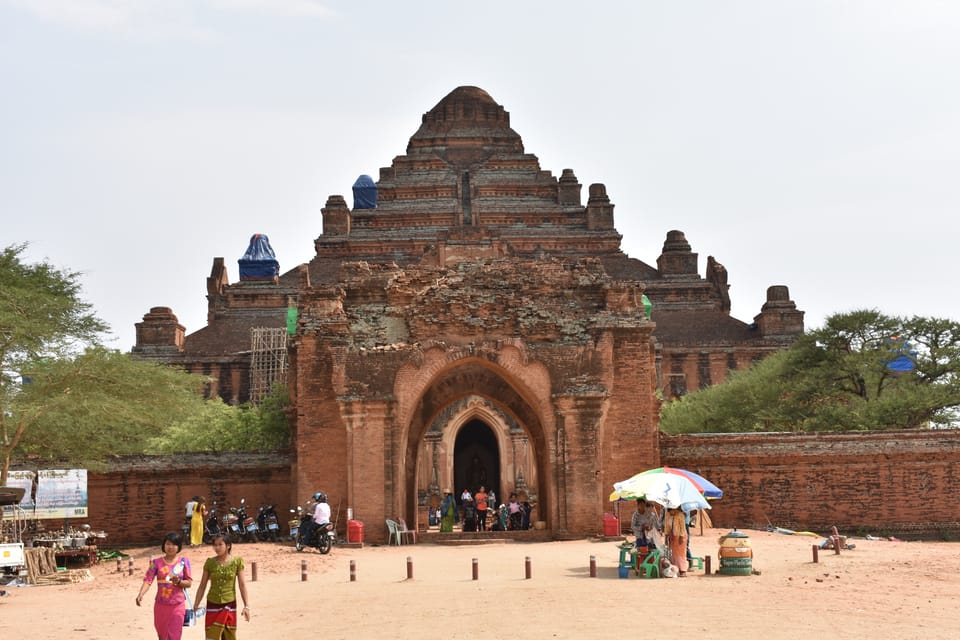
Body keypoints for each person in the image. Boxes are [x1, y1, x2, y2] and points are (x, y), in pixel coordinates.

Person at [136, 531, 193, 640]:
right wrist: (141, 594)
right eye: (168, 544)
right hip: (161, 606)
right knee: (162, 636)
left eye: (174, 544)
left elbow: (189, 583)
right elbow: (148, 580)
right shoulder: (156, 563)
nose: (170, 547)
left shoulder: (184, 562)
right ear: (163, 545)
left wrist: (179, 582)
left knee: (175, 635)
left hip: (178, 605)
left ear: (179, 546)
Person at [193, 534, 250, 639]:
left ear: (228, 546)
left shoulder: (237, 562)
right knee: (212, 636)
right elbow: (202, 585)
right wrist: (196, 604)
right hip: (212, 604)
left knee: (229, 636)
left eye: (220, 544)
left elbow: (242, 585)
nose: (217, 548)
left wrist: (246, 606)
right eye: (215, 545)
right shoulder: (210, 563)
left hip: (229, 604)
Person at [664, 507, 688, 577]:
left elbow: (683, 527)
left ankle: (683, 570)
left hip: (680, 536)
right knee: (674, 554)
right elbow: (666, 527)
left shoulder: (680, 515)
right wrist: (666, 537)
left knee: (681, 554)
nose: (671, 513)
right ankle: (675, 569)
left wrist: (681, 536)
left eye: (672, 511)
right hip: (672, 536)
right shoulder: (667, 515)